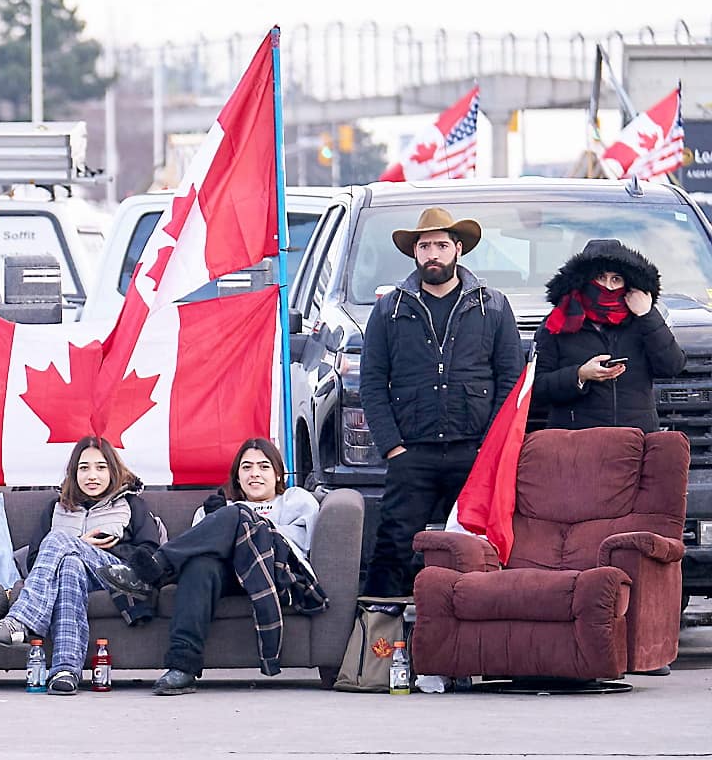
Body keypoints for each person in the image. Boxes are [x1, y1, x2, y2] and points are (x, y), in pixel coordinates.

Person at [359, 206, 523, 598]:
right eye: (425, 246)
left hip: (473, 453)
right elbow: (372, 383)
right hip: (411, 452)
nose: (433, 254)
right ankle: (379, 629)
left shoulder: (493, 306)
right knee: (393, 545)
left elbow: (510, 381)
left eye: (441, 245)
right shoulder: (389, 309)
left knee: (477, 548)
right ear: (414, 252)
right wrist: (393, 447)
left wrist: (489, 447)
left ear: (458, 249)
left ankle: (478, 627)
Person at [98, 438, 323, 695]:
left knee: (239, 515)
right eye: (247, 467)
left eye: (264, 467)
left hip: (274, 571)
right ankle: (182, 665)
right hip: (231, 576)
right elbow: (196, 549)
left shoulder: (295, 500)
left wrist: (245, 523)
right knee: (200, 566)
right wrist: (212, 517)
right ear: (237, 476)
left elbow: (301, 543)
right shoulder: (222, 508)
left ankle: (151, 571)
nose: (254, 474)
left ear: (278, 474)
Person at [0, 436, 163, 695]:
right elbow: (35, 560)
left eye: (101, 467)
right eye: (84, 468)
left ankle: (20, 621)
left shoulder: (131, 504)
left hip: (116, 574)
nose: (92, 476)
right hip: (75, 576)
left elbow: (150, 553)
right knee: (70, 566)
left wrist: (93, 547)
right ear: (74, 472)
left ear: (113, 470)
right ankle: (65, 670)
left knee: (58, 539)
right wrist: (77, 545)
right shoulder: (57, 507)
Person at [533, 237, 685, 431]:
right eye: (600, 277)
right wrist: (580, 375)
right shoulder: (558, 322)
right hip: (576, 440)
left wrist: (648, 315)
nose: (608, 287)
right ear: (585, 279)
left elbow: (672, 366)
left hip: (635, 437)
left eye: (616, 279)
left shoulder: (642, 320)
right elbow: (537, 388)